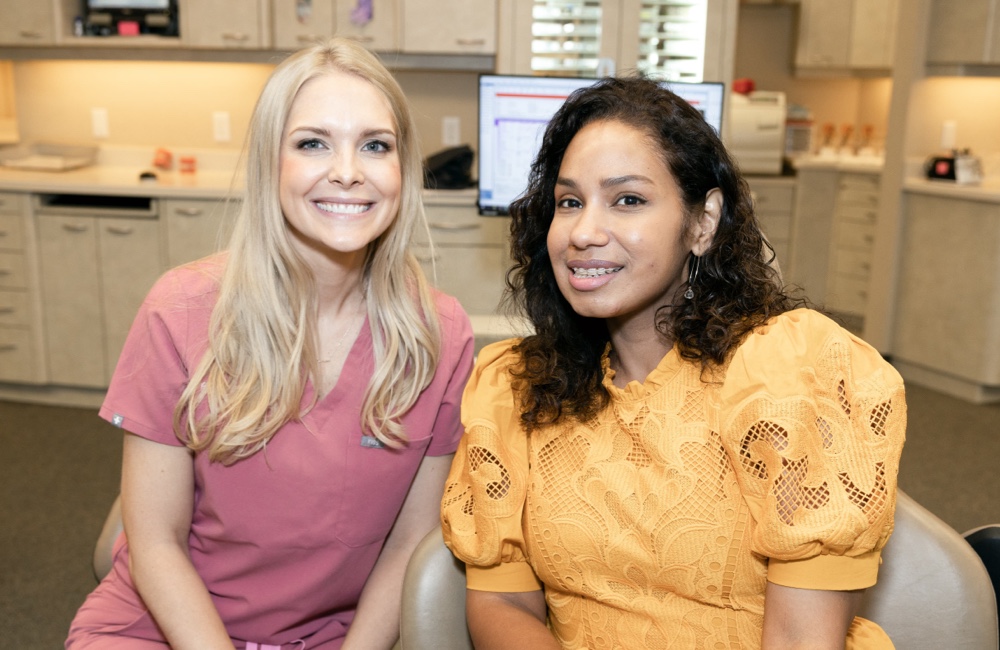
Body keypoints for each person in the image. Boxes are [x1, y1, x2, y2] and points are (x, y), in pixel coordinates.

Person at [440, 76, 905, 649]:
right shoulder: (517, 388)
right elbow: (502, 603)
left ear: (703, 221)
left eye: (628, 200)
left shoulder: (790, 372)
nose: (584, 232)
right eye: (569, 202)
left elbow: (804, 641)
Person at [67, 37, 474, 649]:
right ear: (269, 163)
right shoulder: (180, 312)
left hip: (333, 637)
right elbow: (153, 541)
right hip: (166, 626)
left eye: (375, 146)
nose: (347, 170)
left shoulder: (438, 336)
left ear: (401, 169)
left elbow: (410, 545)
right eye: (313, 143)